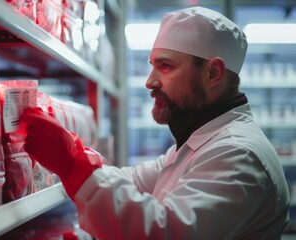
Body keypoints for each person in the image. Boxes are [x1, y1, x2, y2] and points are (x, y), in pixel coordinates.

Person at [20, 6, 290, 240]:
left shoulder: (238, 155)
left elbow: (164, 232)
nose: (149, 82)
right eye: (152, 66)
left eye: (166, 66)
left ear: (213, 73)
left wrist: (69, 163)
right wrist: (72, 150)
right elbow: (134, 180)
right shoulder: (199, 143)